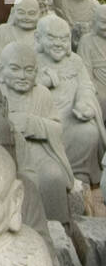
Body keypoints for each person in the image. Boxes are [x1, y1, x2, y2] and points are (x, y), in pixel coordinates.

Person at [0, 42, 74, 222]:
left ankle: (58, 226)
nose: (23, 76)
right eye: (15, 69)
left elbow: (57, 128)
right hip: (5, 152)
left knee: (53, 176)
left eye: (29, 70)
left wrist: (32, 124)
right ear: (1, 69)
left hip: (37, 152)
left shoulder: (42, 93)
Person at [36, 13, 105, 184]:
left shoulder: (75, 61)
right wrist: (41, 83)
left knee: (89, 132)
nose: (59, 44)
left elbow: (86, 85)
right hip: (44, 117)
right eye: (52, 38)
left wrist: (84, 103)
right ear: (39, 38)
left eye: (64, 39)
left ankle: (79, 173)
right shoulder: (32, 60)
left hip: (71, 116)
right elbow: (16, 87)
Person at [0, 0, 40, 75]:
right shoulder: (4, 30)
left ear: (38, 14)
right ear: (13, 12)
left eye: (31, 13)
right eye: (21, 13)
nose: (26, 17)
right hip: (7, 72)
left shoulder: (40, 34)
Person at [78, 3, 106, 119]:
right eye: (104, 22)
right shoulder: (86, 41)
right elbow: (84, 70)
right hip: (98, 85)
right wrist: (94, 88)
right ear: (94, 22)